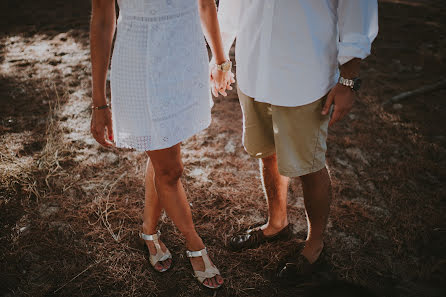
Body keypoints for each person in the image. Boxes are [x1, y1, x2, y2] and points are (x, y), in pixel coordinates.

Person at [214, 0, 378, 279]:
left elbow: (357, 11)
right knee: (268, 153)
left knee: (309, 164)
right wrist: (220, 58)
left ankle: (315, 246)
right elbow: (232, 6)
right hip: (254, 71)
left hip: (304, 77)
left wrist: (348, 80)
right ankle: (277, 224)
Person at [90, 0, 234, 289]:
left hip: (184, 56)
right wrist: (99, 102)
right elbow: (104, 18)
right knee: (170, 170)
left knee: (162, 153)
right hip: (141, 60)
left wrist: (221, 60)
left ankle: (148, 231)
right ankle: (195, 245)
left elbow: (205, 4)